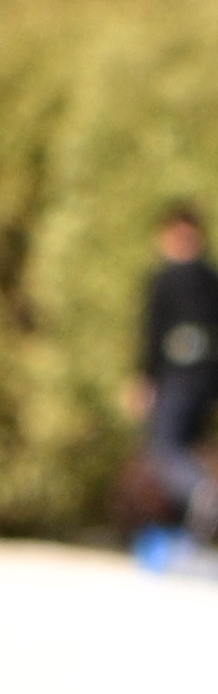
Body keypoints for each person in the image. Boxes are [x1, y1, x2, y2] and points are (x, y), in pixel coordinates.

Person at [131, 198, 212, 565]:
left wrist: (143, 379)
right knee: (189, 449)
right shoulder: (211, 279)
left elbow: (152, 334)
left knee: (164, 451)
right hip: (206, 382)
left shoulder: (165, 279)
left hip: (176, 379)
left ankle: (202, 493)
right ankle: (190, 538)